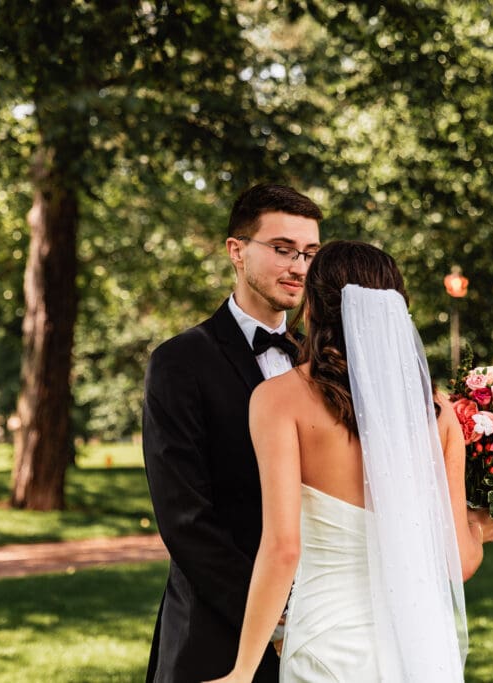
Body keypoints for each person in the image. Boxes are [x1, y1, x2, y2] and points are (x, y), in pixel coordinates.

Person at [204, 241, 493, 683]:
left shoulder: (278, 400)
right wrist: (477, 526)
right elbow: (458, 563)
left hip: (329, 646)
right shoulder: (437, 415)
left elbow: (283, 547)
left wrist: (243, 670)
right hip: (415, 649)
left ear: (313, 311)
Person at [142, 183, 323, 683]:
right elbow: (184, 517)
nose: (299, 267)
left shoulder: (325, 363)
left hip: (324, 626)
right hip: (214, 627)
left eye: (309, 253)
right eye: (283, 250)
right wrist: (274, 616)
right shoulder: (180, 362)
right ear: (237, 251)